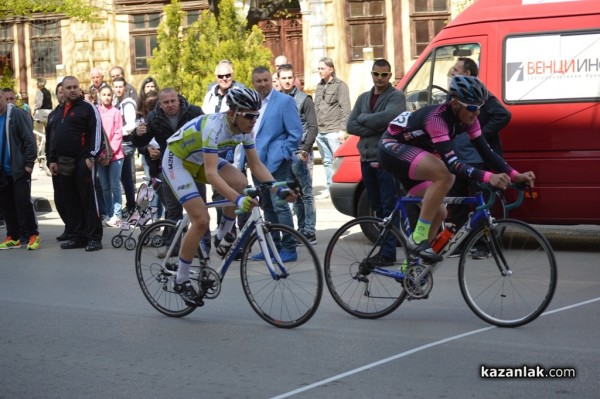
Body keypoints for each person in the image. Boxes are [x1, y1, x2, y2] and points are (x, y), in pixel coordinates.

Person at [378, 75, 535, 268]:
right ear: (454, 104)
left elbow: (487, 152)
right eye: (471, 107)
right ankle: (418, 238)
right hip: (391, 148)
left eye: (479, 107)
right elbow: (452, 164)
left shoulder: (471, 120)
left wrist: (514, 174)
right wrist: (488, 177)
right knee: (445, 175)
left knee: (439, 213)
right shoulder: (437, 119)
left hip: (413, 154)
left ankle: (411, 268)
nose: (476, 113)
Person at [163, 88, 296, 305]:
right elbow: (211, 174)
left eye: (257, 114)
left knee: (241, 182)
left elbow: (256, 165)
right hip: (177, 161)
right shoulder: (214, 128)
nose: (254, 120)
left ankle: (222, 236)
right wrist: (237, 200)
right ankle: (181, 278)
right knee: (201, 220)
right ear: (233, 112)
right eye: (249, 115)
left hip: (199, 160)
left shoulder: (245, 130)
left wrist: (277, 188)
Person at [446, 58, 512, 257]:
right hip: (457, 159)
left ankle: (484, 245)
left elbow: (503, 115)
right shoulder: (454, 95)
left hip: (476, 159)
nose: (452, 73)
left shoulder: (479, 93)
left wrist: (481, 133)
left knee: (479, 204)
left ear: (467, 74)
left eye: (456, 70)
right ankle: (459, 243)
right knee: (456, 202)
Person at [347, 59, 406, 263]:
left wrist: (364, 119)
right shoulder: (364, 97)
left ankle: (389, 253)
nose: (379, 79)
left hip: (386, 160)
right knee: (377, 207)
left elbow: (390, 117)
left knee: (389, 206)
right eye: (376, 74)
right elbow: (350, 125)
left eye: (384, 75)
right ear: (371, 74)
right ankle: (383, 248)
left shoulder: (397, 96)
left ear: (390, 76)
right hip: (366, 158)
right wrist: (377, 125)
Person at [250, 66, 302, 261]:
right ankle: (272, 247)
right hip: (255, 162)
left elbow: (296, 134)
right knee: (267, 207)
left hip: (276, 164)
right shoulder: (252, 103)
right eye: (258, 81)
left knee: (280, 205)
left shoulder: (284, 101)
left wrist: (281, 153)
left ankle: (289, 248)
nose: (262, 84)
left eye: (265, 80)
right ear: (253, 83)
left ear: (271, 81)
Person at [131, 88, 205, 225]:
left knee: (200, 208)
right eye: (166, 102)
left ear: (178, 100)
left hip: (194, 165)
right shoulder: (154, 117)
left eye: (172, 101)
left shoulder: (194, 112)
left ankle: (204, 244)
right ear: (160, 104)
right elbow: (141, 143)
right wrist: (136, 134)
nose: (170, 105)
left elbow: (207, 133)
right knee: (173, 210)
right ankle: (173, 245)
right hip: (170, 167)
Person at [48, 76, 104, 252]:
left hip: (83, 161)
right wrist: (52, 159)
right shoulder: (58, 111)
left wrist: (91, 156)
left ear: (79, 89)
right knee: (71, 201)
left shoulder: (88, 108)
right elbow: (54, 138)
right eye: (68, 87)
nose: (72, 90)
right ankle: (78, 236)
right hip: (63, 162)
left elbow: (97, 133)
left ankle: (94, 237)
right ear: (62, 90)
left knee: (88, 200)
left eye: (75, 87)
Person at [277, 64, 318, 244]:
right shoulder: (276, 100)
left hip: (300, 152)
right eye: (283, 78)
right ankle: (300, 231)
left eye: (289, 77)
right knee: (292, 193)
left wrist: (305, 150)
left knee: (306, 193)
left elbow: (313, 127)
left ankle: (309, 231)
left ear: (294, 79)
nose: (287, 81)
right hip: (284, 154)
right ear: (278, 80)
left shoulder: (304, 99)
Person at [0, 88, 40, 250]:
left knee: (23, 202)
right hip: (2, 172)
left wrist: (29, 164)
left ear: (2, 97)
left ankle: (33, 235)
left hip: (19, 169)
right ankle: (13, 237)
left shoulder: (16, 115)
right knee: (7, 205)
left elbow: (29, 141)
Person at [314, 57, 351, 199]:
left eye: (322, 68)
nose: (320, 71)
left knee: (338, 162)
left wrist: (343, 130)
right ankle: (329, 188)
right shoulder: (319, 86)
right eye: (318, 68)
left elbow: (345, 109)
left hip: (334, 130)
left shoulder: (340, 86)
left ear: (331, 69)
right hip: (320, 131)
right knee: (327, 162)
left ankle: (341, 189)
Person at [45, 82, 73, 241]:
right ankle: (68, 226)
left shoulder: (73, 112)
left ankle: (75, 228)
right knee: (59, 199)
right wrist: (50, 160)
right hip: (55, 161)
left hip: (69, 162)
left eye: (65, 91)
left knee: (70, 198)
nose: (63, 94)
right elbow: (50, 139)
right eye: (60, 92)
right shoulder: (53, 115)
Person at [96, 85, 124, 227]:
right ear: (99, 96)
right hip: (100, 156)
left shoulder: (116, 112)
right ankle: (108, 213)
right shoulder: (96, 112)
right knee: (104, 186)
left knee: (115, 186)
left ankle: (117, 215)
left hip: (115, 155)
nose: (106, 97)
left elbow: (118, 133)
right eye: (104, 94)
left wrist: (109, 153)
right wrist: (100, 154)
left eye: (109, 95)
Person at [112, 76, 137, 216]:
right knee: (123, 178)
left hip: (126, 144)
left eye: (120, 86)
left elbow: (131, 125)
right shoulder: (118, 102)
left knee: (126, 178)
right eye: (115, 86)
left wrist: (116, 133)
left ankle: (131, 207)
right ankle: (130, 206)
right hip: (119, 144)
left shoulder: (127, 103)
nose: (118, 89)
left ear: (125, 88)